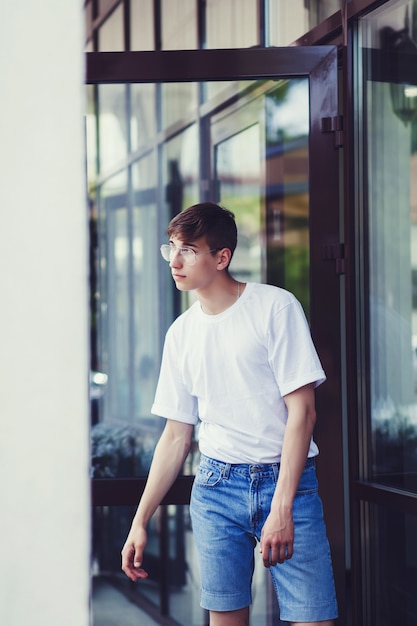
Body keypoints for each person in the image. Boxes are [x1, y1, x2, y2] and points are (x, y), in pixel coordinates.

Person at [121, 202, 338, 626]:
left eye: (188, 250)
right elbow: (176, 435)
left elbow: (303, 414)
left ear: (222, 257)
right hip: (217, 487)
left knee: (314, 619)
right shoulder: (181, 333)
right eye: (172, 248)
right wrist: (140, 519)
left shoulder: (275, 307)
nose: (175, 261)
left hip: (286, 484)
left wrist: (282, 508)